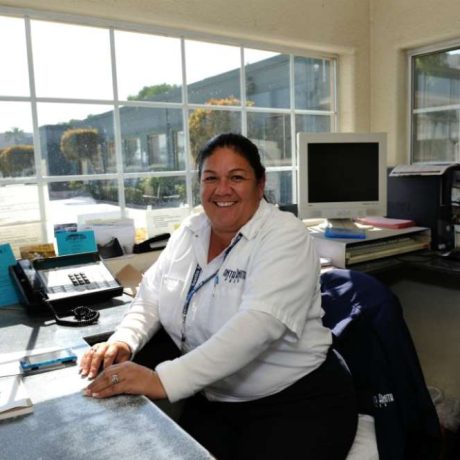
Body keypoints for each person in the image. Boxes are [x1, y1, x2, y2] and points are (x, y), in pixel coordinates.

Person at [80, 133, 358, 460]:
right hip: (216, 399)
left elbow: (257, 327)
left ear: (260, 183)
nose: (222, 189)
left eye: (236, 177)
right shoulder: (190, 231)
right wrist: (124, 339)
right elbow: (152, 294)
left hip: (296, 404)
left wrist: (161, 381)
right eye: (211, 178)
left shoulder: (285, 235)